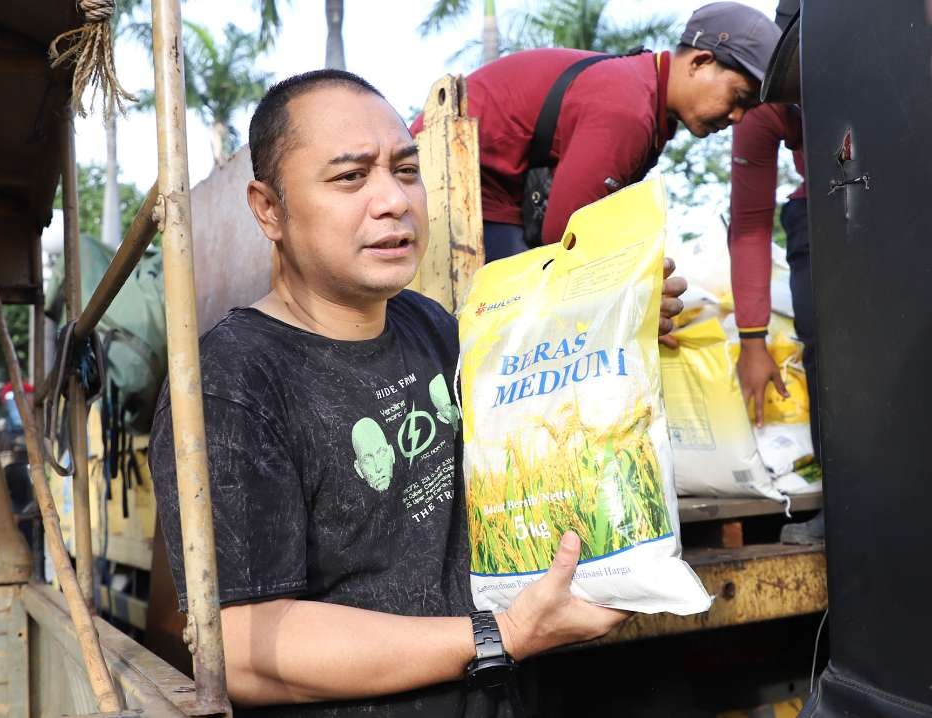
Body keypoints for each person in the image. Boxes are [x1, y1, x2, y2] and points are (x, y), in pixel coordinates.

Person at [150, 69, 685, 716]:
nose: (393, 201)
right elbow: (238, 646)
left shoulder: (428, 325)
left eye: (406, 171)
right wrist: (504, 635)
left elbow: (526, 414)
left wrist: (608, 325)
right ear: (269, 209)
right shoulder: (233, 383)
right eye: (351, 177)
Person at [410, 1, 781, 261]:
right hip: (448, 187)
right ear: (700, 62)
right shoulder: (629, 108)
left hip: (494, 197)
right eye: (739, 97)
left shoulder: (644, 91)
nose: (737, 117)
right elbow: (564, 240)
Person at [728, 0, 822, 544]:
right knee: (831, 356)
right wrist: (753, 340)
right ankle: (848, 500)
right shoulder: (767, 101)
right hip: (826, 212)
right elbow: (750, 223)